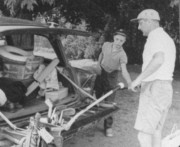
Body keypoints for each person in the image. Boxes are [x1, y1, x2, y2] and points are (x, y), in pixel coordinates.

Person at [130, 9, 176, 147]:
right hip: (165, 88)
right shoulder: (167, 38)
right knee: (156, 131)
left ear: (150, 21)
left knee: (144, 134)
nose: (139, 27)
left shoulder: (155, 37)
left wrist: (137, 80)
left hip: (154, 88)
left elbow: (158, 60)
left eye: (141, 23)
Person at [94, 29, 132, 137]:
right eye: (117, 39)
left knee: (109, 103)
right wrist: (98, 65)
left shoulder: (122, 55)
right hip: (101, 73)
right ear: (114, 38)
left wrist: (129, 82)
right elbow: (101, 54)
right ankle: (92, 119)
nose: (118, 42)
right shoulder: (106, 45)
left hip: (112, 76)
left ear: (124, 42)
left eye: (121, 41)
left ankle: (108, 127)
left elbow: (124, 70)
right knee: (94, 98)